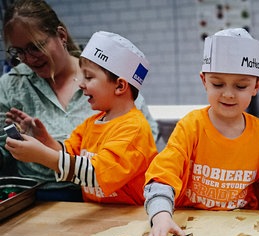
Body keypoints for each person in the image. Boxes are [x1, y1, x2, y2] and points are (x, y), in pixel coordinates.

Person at [141, 28, 259, 236]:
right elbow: (163, 176)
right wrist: (161, 216)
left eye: (241, 86)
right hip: (189, 227)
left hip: (241, 230)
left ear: (256, 86)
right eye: (217, 84)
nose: (228, 94)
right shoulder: (191, 127)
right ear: (204, 81)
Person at [0, 0, 158, 201]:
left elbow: (97, 174)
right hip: (92, 209)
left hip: (124, 214)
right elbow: (68, 152)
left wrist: (43, 156)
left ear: (120, 86)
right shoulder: (92, 123)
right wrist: (45, 140)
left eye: (89, 78)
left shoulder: (133, 129)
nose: (80, 84)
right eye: (19, 52)